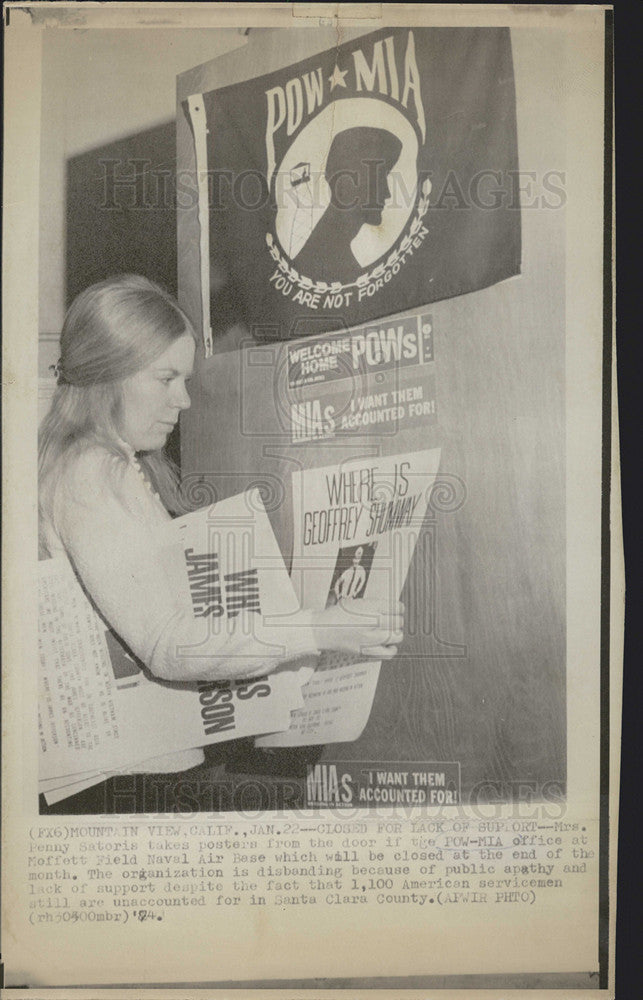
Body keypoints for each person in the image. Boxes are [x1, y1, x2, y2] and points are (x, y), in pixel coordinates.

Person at [38, 275, 404, 773]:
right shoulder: (92, 470)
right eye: (166, 379)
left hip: (149, 765)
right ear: (110, 372)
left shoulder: (112, 460)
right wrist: (317, 627)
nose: (183, 401)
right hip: (132, 777)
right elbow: (169, 646)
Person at [293, 126, 402, 284]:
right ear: (348, 185)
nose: (387, 194)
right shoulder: (325, 267)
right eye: (379, 180)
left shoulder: (342, 265)